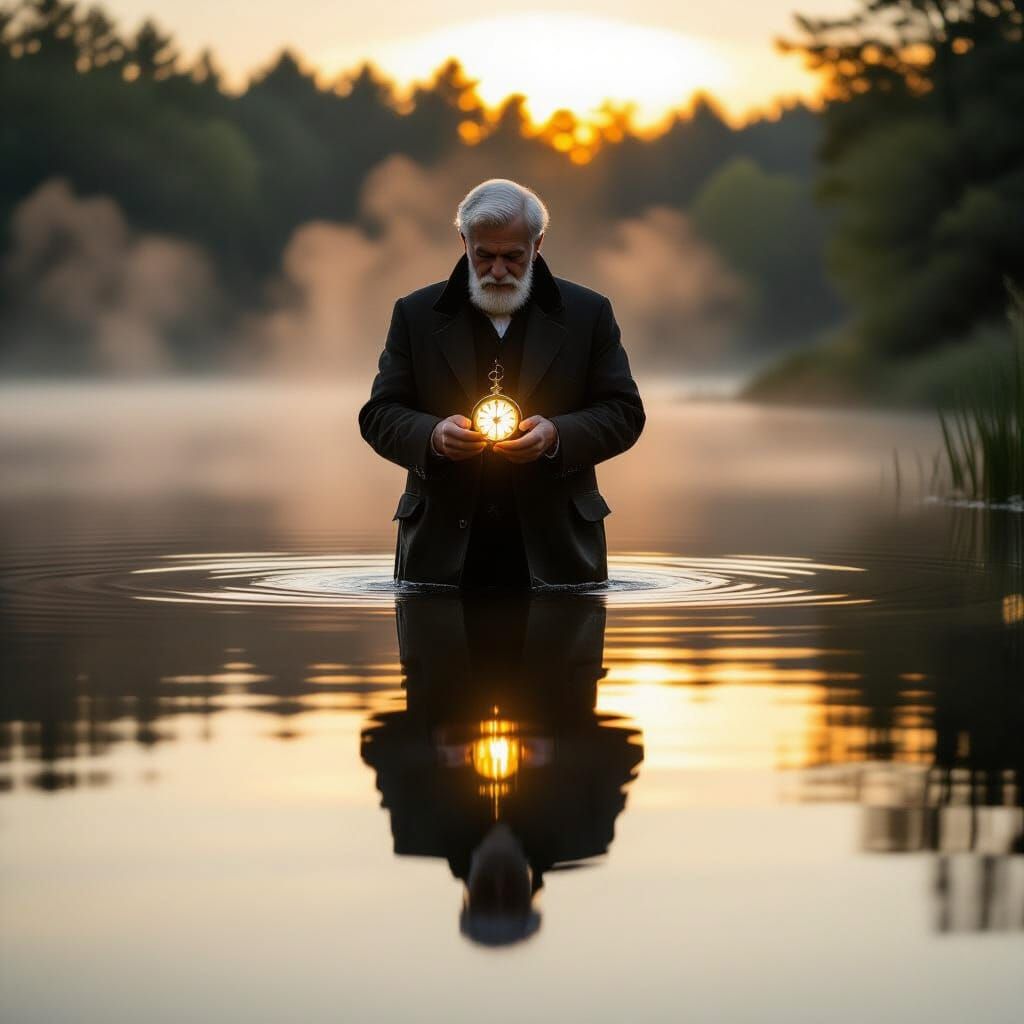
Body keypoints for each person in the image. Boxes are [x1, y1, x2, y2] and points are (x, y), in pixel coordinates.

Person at [358, 178, 645, 588]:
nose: (497, 270)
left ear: (538, 243)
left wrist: (557, 436)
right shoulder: (415, 314)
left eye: (513, 256)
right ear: (463, 241)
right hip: (438, 564)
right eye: (484, 256)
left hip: (560, 560)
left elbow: (624, 413)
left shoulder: (589, 313)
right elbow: (379, 416)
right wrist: (433, 437)